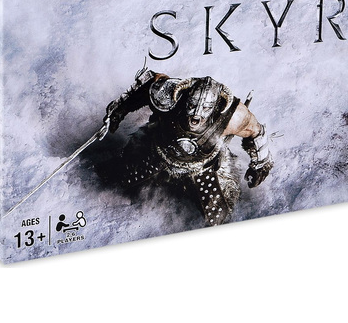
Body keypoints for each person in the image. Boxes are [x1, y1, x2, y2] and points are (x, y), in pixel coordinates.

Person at [99, 70, 273, 226]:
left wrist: (260, 165)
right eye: (191, 106)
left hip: (204, 166)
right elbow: (147, 84)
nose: (195, 116)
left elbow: (257, 132)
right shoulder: (169, 94)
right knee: (116, 178)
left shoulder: (234, 116)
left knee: (220, 215)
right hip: (157, 151)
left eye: (205, 108)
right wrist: (118, 111)